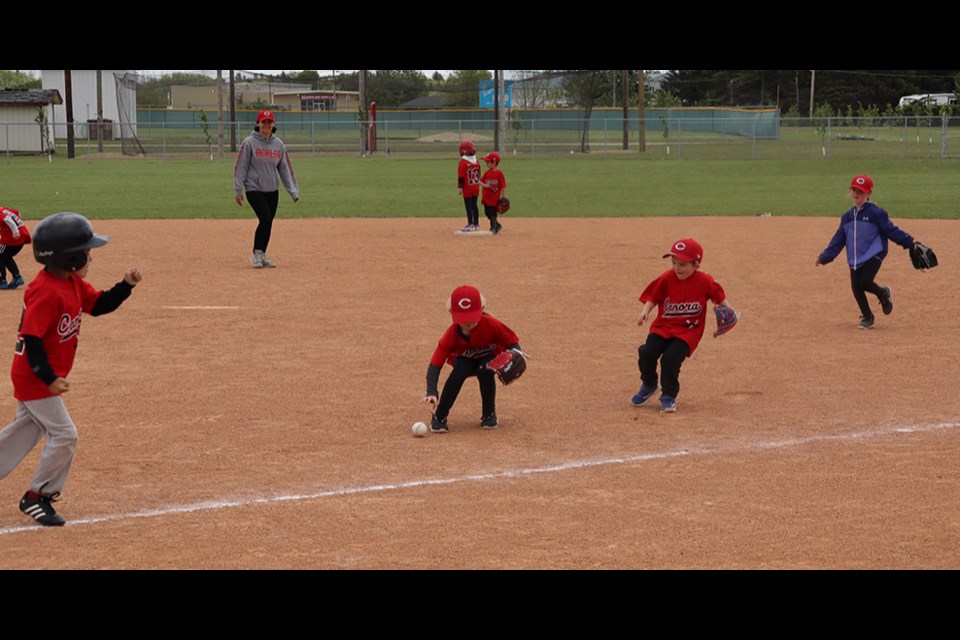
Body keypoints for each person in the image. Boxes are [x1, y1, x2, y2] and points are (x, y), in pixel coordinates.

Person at [0, 212, 142, 526]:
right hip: (36, 377)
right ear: (71, 256)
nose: (91, 256)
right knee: (65, 435)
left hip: (38, 376)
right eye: (86, 252)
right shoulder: (46, 291)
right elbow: (32, 339)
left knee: (24, 433)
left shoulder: (71, 282)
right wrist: (49, 379)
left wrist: (125, 286)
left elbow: (99, 305)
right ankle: (38, 496)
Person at [631, 239, 731, 414]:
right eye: (674, 263)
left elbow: (719, 297)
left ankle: (668, 396)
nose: (677, 268)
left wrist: (729, 311)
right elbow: (653, 296)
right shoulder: (667, 278)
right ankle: (649, 383)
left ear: (696, 265)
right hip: (663, 326)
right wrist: (645, 311)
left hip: (688, 332)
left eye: (682, 264)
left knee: (670, 359)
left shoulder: (704, 281)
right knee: (647, 352)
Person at [815, 175, 918, 330]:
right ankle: (868, 316)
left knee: (865, 281)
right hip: (856, 256)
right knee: (856, 286)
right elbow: (838, 239)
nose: (856, 194)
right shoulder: (847, 217)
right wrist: (826, 256)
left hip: (874, 251)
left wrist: (910, 243)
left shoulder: (876, 213)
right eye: (854, 190)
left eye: (861, 191)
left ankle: (882, 294)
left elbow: (891, 230)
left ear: (869, 193)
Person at [421, 285, 522, 432]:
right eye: (463, 318)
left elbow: (513, 344)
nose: (468, 322)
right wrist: (431, 392)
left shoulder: (492, 324)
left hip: (489, 359)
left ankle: (489, 415)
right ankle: (439, 416)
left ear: (482, 308)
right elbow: (435, 364)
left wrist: (514, 359)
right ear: (451, 313)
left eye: (472, 316)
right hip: (464, 361)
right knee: (460, 370)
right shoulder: (451, 334)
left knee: (485, 370)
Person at [234, 109, 299, 269]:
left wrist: (293, 191)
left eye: (269, 122)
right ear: (258, 123)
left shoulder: (279, 145)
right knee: (265, 219)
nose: (266, 125)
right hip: (253, 188)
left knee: (269, 223)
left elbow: (285, 169)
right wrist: (238, 190)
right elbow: (240, 167)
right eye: (264, 122)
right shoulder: (249, 143)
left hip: (272, 190)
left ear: (273, 125)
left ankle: (262, 254)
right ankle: (256, 253)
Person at [0, 205, 31, 290]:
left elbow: (8, 220)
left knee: (1, 255)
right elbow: (18, 213)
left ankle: (2, 281)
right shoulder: (3, 209)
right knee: (6, 256)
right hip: (22, 236)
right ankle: (17, 277)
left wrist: (15, 231)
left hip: (14, 238)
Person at [457, 140, 482, 232]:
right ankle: (476, 224)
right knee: (475, 205)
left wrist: (460, 187)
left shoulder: (463, 162)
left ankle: (470, 224)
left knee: (468, 206)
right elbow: (479, 174)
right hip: (475, 186)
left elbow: (461, 177)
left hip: (467, 187)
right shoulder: (476, 161)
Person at [480, 152, 507, 235]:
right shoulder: (487, 173)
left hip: (494, 199)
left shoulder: (499, 174)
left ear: (494, 163)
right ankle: (498, 225)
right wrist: (485, 185)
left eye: (488, 162)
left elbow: (503, 186)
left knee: (493, 214)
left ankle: (493, 227)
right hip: (486, 197)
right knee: (487, 213)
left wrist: (503, 198)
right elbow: (480, 181)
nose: (486, 164)